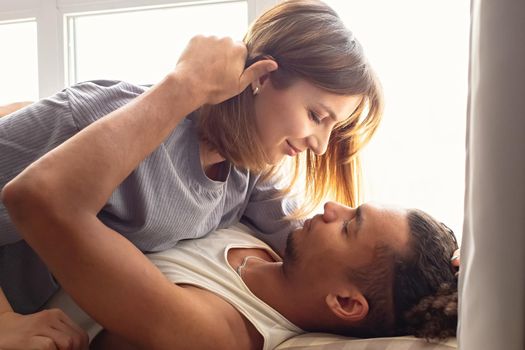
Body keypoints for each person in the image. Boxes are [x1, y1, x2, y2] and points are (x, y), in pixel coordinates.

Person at [0, 0, 382, 326]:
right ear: (263, 77)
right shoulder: (98, 116)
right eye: (316, 116)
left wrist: (436, 272)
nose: (320, 147)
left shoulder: (248, 174)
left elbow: (309, 242)